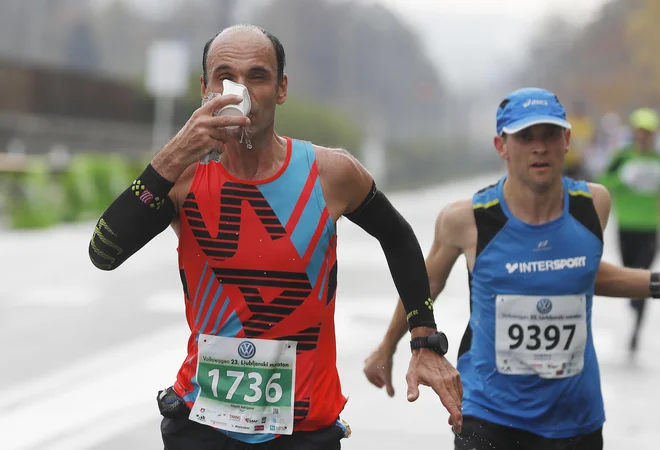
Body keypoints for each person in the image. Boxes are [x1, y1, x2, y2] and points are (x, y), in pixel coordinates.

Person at [88, 24, 461, 450]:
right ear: (205, 89)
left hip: (302, 432)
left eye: (257, 76)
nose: (238, 89)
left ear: (281, 89)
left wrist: (424, 339)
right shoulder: (183, 178)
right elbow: (104, 252)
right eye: (224, 76)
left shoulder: (331, 174)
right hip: (202, 426)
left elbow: (398, 237)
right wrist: (173, 155)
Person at [362, 87, 660, 450]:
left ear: (566, 140)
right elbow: (425, 285)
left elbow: (580, 275)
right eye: (525, 136)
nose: (539, 147)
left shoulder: (592, 206)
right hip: (489, 415)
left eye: (549, 135)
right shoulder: (467, 220)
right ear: (501, 146)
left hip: (575, 418)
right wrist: (387, 347)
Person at [597, 107, 660, 353]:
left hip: (651, 228)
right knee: (630, 276)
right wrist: (622, 178)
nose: (644, 137)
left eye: (649, 132)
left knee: (645, 278)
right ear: (634, 132)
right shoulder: (622, 156)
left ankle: (636, 332)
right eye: (640, 132)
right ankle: (634, 303)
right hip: (626, 227)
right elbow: (601, 183)